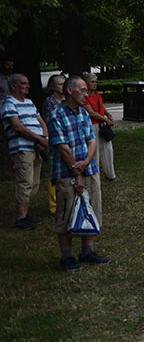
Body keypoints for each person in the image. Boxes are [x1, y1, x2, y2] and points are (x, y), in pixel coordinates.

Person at [49, 75, 110, 272]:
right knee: (67, 211)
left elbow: (91, 141)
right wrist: (77, 173)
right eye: (82, 90)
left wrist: (85, 163)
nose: (86, 94)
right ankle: (66, 256)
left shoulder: (83, 114)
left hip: (88, 169)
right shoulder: (56, 115)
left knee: (91, 207)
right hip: (66, 172)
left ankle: (88, 250)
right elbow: (63, 148)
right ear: (69, 91)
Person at [3, 74, 48, 229]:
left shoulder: (29, 102)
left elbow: (41, 121)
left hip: (37, 147)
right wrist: (39, 139)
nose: (27, 86)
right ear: (14, 86)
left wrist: (44, 138)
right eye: (23, 83)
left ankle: (26, 214)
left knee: (34, 183)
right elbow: (17, 126)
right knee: (25, 182)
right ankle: (21, 218)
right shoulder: (8, 103)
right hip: (22, 148)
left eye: (28, 83)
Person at [81, 72, 115, 181]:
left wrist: (108, 114)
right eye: (92, 82)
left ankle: (110, 174)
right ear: (86, 83)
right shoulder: (84, 96)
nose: (95, 84)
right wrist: (105, 119)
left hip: (101, 124)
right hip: (92, 125)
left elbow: (100, 106)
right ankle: (95, 175)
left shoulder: (96, 94)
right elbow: (91, 113)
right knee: (94, 151)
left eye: (96, 82)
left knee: (108, 149)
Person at [42, 74, 66, 214]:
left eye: (64, 83)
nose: (62, 86)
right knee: (55, 170)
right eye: (59, 84)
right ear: (52, 87)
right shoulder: (49, 101)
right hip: (55, 138)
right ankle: (54, 205)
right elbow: (50, 120)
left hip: (69, 137)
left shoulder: (67, 100)